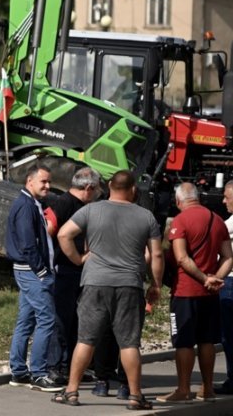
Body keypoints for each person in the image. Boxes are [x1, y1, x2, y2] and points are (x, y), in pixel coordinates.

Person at [54, 170, 163, 409]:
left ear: (110, 186)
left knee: (86, 339)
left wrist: (79, 259)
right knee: (129, 343)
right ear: (134, 189)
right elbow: (156, 253)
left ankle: (71, 391)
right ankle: (135, 396)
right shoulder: (146, 217)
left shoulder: (91, 210)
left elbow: (63, 234)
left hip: (95, 282)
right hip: (129, 284)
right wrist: (155, 285)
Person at [156, 182, 232, 403]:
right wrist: (216, 278)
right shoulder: (217, 220)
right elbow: (228, 256)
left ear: (179, 200)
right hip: (210, 293)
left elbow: (181, 257)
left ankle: (183, 389)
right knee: (207, 341)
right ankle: (207, 388)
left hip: (185, 291)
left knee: (184, 342)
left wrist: (203, 278)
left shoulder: (180, 221)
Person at [5, 164, 62, 392]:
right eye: (43, 182)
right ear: (30, 181)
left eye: (49, 182)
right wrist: (42, 272)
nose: (48, 186)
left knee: (26, 321)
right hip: (31, 272)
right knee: (46, 319)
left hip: (28, 271)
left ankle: (19, 372)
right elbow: (28, 244)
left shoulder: (31, 204)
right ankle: (38, 373)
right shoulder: (26, 206)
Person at [43, 166, 100, 384]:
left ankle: (68, 367)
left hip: (75, 272)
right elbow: (50, 231)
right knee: (60, 319)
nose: (96, 195)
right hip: (63, 270)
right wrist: (77, 258)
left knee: (74, 320)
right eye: (96, 190)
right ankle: (54, 366)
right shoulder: (64, 203)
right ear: (88, 188)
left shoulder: (80, 205)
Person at [216, 180, 233, 395]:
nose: (223, 200)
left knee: (229, 335)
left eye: (227, 197)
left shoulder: (227, 226)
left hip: (230, 283)